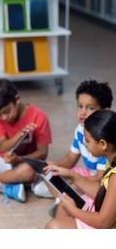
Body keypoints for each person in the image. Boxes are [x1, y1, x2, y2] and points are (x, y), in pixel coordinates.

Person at [46, 80, 113, 216]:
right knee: (50, 170)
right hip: (89, 175)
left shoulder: (102, 141)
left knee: (72, 185)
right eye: (80, 106)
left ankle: (63, 201)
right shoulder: (80, 129)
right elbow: (71, 158)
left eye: (90, 108)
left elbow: (101, 179)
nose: (82, 112)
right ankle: (61, 199)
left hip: (98, 181)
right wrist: (54, 167)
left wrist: (73, 179)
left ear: (104, 112)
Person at [45, 109, 116, 229]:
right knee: (63, 205)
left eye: (87, 140)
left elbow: (103, 222)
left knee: (53, 227)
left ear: (103, 144)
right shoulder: (111, 158)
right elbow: (104, 193)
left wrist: (73, 210)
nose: (84, 142)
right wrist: (72, 175)